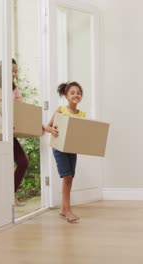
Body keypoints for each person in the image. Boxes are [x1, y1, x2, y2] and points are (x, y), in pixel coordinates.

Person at [0, 59, 28, 206]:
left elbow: (22, 106)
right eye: (11, 71)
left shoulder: (13, 88)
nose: (14, 74)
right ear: (2, 70)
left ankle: (10, 194)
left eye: (16, 71)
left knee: (23, 162)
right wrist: (5, 125)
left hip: (9, 134)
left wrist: (35, 122)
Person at [45, 82, 85, 223]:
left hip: (72, 148)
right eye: (72, 92)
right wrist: (52, 130)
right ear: (66, 96)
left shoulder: (81, 114)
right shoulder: (61, 110)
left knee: (70, 177)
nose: (76, 95)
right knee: (67, 176)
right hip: (60, 148)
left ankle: (63, 208)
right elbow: (47, 127)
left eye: (78, 92)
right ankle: (68, 211)